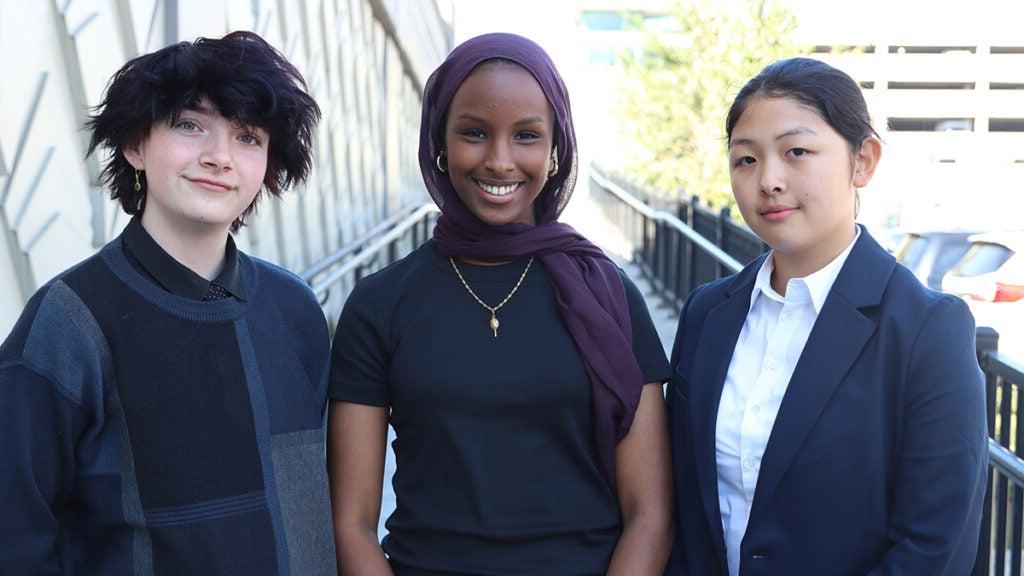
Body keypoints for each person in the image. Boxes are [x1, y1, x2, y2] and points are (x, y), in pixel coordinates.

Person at [328, 33, 673, 576]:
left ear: (556, 148)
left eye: (527, 136)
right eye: (474, 133)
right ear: (438, 139)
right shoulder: (380, 304)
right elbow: (350, 523)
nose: (499, 161)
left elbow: (650, 513)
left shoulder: (608, 294)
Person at [0, 31, 335, 574]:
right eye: (189, 125)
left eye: (248, 137)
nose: (219, 156)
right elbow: (15, 534)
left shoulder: (294, 309)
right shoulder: (68, 321)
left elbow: (311, 504)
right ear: (135, 144)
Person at [665, 57, 987, 576]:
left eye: (797, 152)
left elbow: (934, 548)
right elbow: (683, 503)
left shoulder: (928, 330)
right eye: (746, 160)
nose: (769, 180)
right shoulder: (709, 313)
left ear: (863, 161)